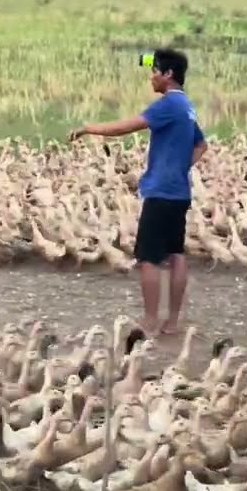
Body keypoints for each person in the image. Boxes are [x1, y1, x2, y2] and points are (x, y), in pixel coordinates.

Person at [67, 48, 208, 337]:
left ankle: (151, 319)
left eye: (155, 71)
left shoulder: (168, 104)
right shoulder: (186, 106)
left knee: (148, 257)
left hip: (160, 191)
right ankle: (172, 323)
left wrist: (88, 128)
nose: (151, 77)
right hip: (179, 191)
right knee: (176, 253)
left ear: (168, 74)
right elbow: (201, 145)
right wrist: (180, 168)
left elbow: (127, 127)